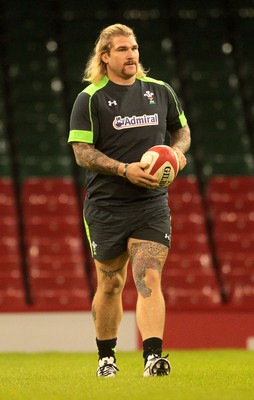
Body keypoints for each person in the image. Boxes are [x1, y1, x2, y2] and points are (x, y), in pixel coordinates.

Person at [68, 23, 191, 377]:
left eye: (134, 48)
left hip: (151, 204)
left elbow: (181, 130)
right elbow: (82, 152)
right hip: (106, 206)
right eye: (122, 49)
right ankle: (106, 357)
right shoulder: (90, 98)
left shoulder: (160, 90)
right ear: (104, 57)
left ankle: (153, 357)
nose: (131, 54)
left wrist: (177, 153)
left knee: (147, 275)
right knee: (111, 283)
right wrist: (124, 170)